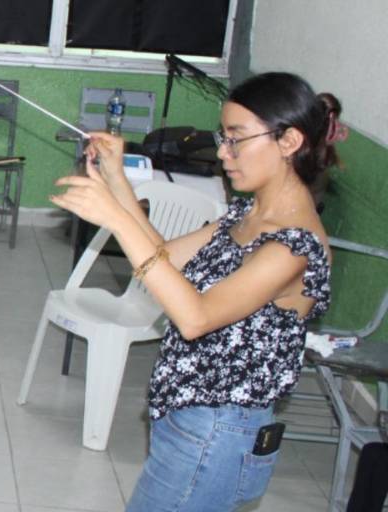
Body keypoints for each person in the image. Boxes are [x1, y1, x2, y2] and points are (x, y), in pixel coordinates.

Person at [52, 72, 334, 512]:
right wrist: (117, 179)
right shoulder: (248, 215)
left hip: (217, 431)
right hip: (189, 417)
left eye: (236, 139)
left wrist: (118, 220)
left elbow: (196, 318)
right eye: (223, 138)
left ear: (289, 140)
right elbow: (164, 256)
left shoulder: (294, 245)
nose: (222, 152)